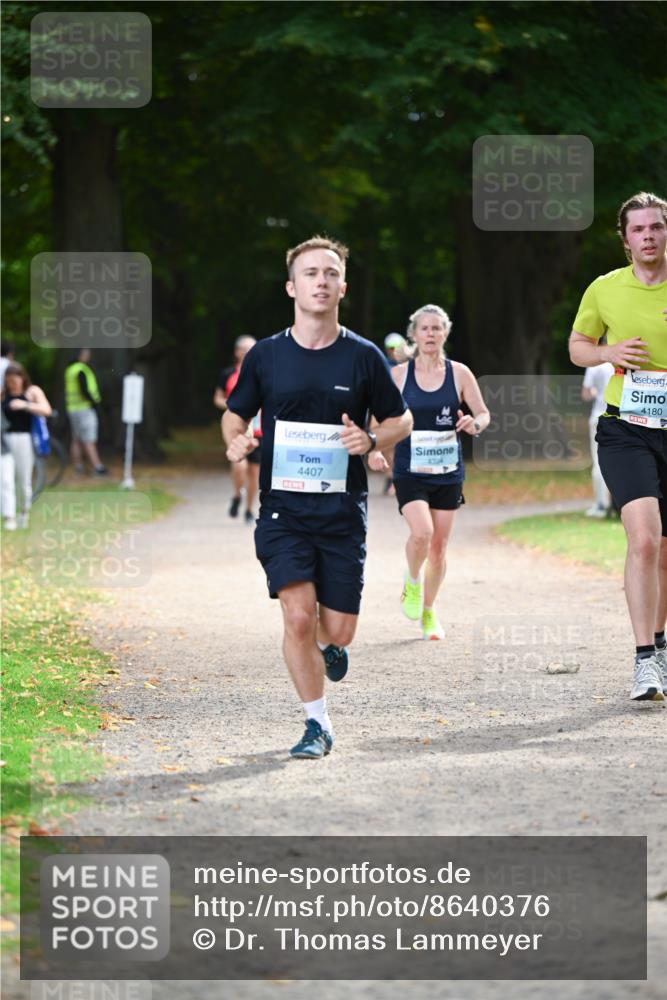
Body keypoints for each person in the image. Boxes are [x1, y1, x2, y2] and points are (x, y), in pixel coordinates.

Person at [222, 236, 412, 759]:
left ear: (343, 287)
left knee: (340, 632)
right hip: (283, 510)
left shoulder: (363, 356)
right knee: (298, 616)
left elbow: (401, 419)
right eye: (310, 273)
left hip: (341, 511)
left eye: (330, 273)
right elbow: (235, 414)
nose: (321, 281)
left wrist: (371, 439)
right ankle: (317, 724)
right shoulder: (266, 355)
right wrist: (235, 440)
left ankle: (331, 646)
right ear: (292, 287)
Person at [568, 190, 667, 702]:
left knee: (665, 552)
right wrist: (608, 351)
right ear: (625, 240)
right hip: (625, 428)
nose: (648, 236)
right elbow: (577, 346)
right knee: (644, 540)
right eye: (638, 229)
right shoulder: (605, 289)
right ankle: (644, 660)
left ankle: (661, 645)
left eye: (656, 227)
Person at [369, 304, 489, 640]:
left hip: (448, 471)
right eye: (424, 328)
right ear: (414, 334)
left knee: (438, 547)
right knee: (422, 533)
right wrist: (375, 449)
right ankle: (412, 579)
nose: (431, 333)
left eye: (437, 328)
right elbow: (377, 421)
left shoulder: (459, 373)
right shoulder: (398, 376)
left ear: (445, 333)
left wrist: (475, 423)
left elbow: (483, 413)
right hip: (409, 469)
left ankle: (429, 610)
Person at [214, 336, 260, 522]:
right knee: (239, 465)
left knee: (254, 473)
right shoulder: (228, 374)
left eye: (252, 349)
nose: (248, 352)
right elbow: (218, 398)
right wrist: (235, 407)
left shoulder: (263, 372)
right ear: (237, 352)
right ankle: (237, 494)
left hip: (259, 429)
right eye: (245, 349)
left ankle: (248, 510)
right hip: (237, 427)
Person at [1, 362, 52, 529]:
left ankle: (24, 512)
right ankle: (9, 517)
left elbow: (47, 410)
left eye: (15, 380)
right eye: (9, 381)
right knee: (5, 479)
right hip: (4, 441)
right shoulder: (3, 394)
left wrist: (25, 405)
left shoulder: (32, 392)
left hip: (25, 440)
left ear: (22, 378)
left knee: (23, 481)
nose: (12, 384)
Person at [64, 348, 107, 475]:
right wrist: (94, 402)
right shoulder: (81, 369)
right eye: (86, 354)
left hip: (72, 408)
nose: (88, 357)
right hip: (84, 408)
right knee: (89, 438)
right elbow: (84, 389)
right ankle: (97, 466)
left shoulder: (70, 369)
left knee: (76, 439)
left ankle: (78, 467)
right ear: (81, 355)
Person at [581, 361, 614, 517]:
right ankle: (616, 503)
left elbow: (585, 394)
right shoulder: (619, 361)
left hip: (598, 417)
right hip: (618, 418)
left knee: (598, 462)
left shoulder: (594, 364)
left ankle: (601, 504)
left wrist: (596, 392)